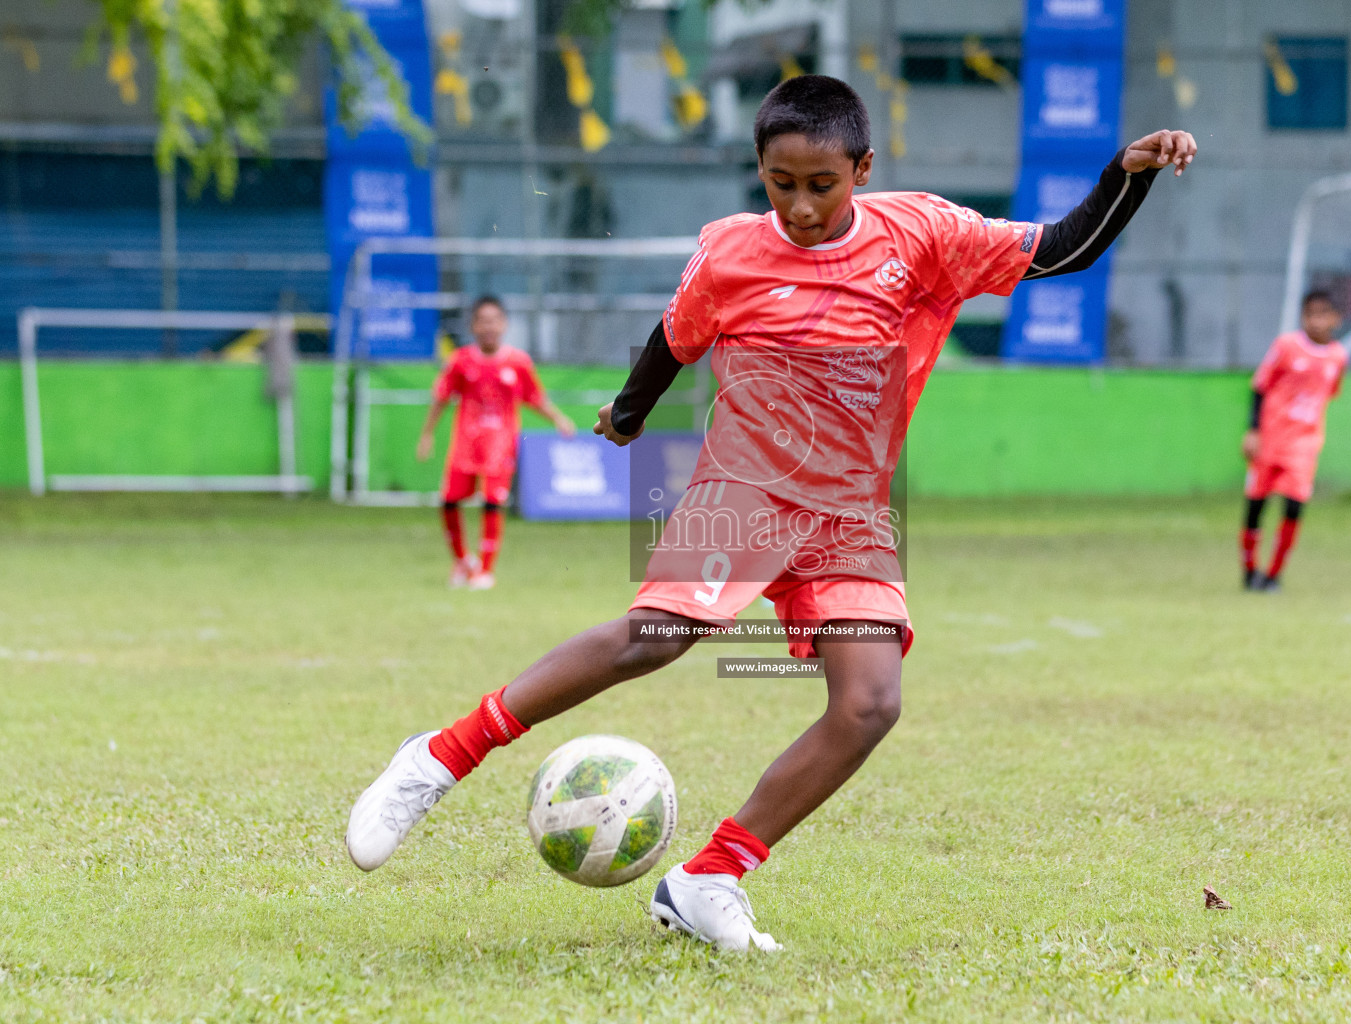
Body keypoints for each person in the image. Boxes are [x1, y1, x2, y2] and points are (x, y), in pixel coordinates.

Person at [349, 75, 1196, 950]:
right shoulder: (730, 252)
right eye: (779, 183)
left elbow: (1059, 250)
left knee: (869, 704)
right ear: (760, 171)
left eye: (820, 185)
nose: (798, 206)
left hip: (851, 507)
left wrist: (1124, 172)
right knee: (656, 637)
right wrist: (627, 415)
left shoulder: (925, 233)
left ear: (862, 168)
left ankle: (711, 875)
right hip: (746, 484)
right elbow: (673, 340)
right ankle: (439, 758)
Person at [417, 296, 575, 590]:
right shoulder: (460, 360)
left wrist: (558, 418)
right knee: (449, 501)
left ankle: (485, 571)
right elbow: (441, 398)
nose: (489, 327)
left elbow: (534, 397)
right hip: (465, 443)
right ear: (473, 326)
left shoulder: (518, 362)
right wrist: (426, 434)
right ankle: (464, 561)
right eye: (482, 321)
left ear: (503, 324)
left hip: (499, 444)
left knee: (492, 502)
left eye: (494, 320)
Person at [1240, 290, 1348, 591]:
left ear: (1335, 319)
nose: (1316, 320)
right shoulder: (1286, 346)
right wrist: (1253, 430)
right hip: (1270, 439)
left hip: (1304, 445)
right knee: (1255, 506)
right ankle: (1249, 571)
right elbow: (1260, 386)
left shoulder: (1338, 356)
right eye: (1310, 314)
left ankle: (1274, 575)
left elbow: (1329, 394)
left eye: (1323, 314)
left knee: (1294, 507)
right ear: (1303, 316)